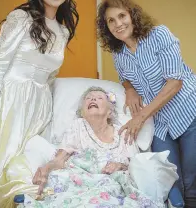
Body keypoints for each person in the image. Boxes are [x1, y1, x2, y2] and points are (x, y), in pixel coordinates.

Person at [0, 0, 79, 207]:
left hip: (40, 105)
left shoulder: (63, 31)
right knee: (7, 167)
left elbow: (50, 75)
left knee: (34, 165)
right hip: (13, 101)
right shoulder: (20, 18)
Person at [96, 0, 196, 208]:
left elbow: (175, 82)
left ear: (132, 15)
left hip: (189, 112)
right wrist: (130, 89)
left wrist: (140, 116)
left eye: (121, 16)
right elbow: (124, 78)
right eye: (111, 21)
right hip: (161, 123)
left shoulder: (159, 35)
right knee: (168, 178)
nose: (118, 24)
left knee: (191, 179)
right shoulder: (118, 53)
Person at [31, 87, 170, 207]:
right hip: (82, 183)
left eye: (99, 98)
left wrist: (119, 166)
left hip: (113, 186)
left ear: (110, 111)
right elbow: (60, 159)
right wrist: (45, 169)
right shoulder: (78, 126)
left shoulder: (123, 132)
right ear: (82, 111)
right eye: (88, 98)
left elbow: (135, 167)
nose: (92, 99)